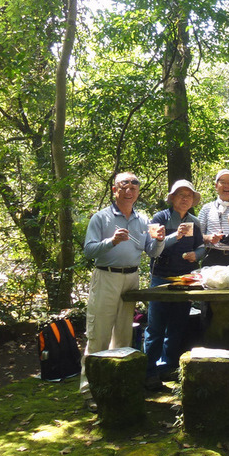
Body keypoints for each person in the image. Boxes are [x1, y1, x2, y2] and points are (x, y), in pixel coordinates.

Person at [81, 172, 165, 409]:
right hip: (106, 276)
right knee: (99, 333)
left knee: (124, 335)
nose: (129, 190)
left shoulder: (142, 219)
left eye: (134, 185)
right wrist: (112, 242)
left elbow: (152, 252)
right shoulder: (101, 218)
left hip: (131, 278)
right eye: (124, 185)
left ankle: (117, 386)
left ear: (138, 191)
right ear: (114, 190)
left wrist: (159, 239)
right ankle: (90, 391)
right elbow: (89, 251)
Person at [144, 180, 205, 391]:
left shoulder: (195, 222)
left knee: (177, 325)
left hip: (185, 279)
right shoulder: (159, 218)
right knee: (155, 327)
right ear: (172, 198)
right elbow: (152, 249)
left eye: (189, 195)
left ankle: (168, 366)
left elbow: (202, 247)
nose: (185, 198)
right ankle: (150, 371)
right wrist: (174, 236)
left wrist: (195, 255)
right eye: (180, 195)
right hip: (161, 277)